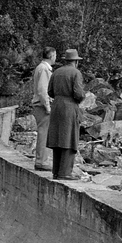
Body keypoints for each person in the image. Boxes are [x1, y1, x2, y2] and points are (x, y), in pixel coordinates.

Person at [46, 48, 86, 180]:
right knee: (69, 138)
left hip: (56, 106)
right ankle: (65, 173)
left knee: (57, 138)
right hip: (69, 107)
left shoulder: (56, 72)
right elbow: (78, 94)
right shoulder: (76, 73)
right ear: (76, 62)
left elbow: (50, 91)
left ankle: (56, 171)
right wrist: (80, 99)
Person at [30, 47, 56, 171]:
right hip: (41, 106)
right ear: (51, 56)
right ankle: (41, 161)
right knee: (43, 133)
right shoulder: (44, 69)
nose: (56, 58)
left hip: (39, 105)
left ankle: (41, 160)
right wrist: (48, 106)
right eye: (55, 55)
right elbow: (42, 90)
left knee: (43, 132)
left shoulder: (41, 68)